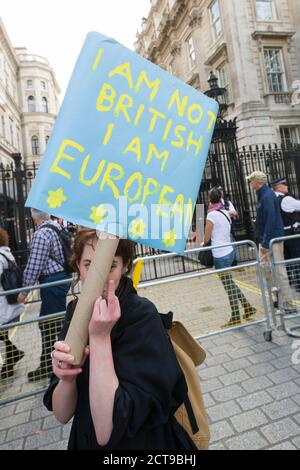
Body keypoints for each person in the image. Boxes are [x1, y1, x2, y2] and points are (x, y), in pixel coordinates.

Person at [43, 229, 197, 450]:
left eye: (110, 265)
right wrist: (66, 379)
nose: (100, 278)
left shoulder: (143, 316)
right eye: (89, 265)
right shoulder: (75, 312)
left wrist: (99, 337)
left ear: (126, 266)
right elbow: (62, 413)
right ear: (77, 266)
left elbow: (109, 430)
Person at [17, 209, 71, 382]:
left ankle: (54, 364)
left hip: (52, 283)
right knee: (53, 322)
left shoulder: (42, 235)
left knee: (50, 324)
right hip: (61, 278)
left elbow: (34, 266)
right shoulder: (57, 228)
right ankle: (53, 362)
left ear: (33, 217)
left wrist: (24, 291)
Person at [203, 188, 256, 328]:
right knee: (230, 283)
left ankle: (236, 317)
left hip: (220, 254)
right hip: (229, 251)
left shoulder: (211, 215)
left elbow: (206, 238)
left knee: (229, 286)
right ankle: (247, 307)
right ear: (220, 198)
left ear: (209, 199)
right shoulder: (226, 212)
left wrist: (202, 241)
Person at [246, 171, 296, 312]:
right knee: (266, 269)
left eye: (251, 181)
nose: (250, 183)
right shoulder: (263, 194)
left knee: (279, 271)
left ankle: (288, 304)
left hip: (271, 240)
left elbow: (271, 219)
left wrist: (266, 243)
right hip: (266, 239)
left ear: (258, 182)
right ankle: (279, 298)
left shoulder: (267, 196)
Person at [0, 228, 24, 380]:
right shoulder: (6, 254)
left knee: (2, 333)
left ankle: (13, 356)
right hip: (10, 303)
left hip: (3, 305)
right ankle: (13, 355)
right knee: (3, 334)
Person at [271, 177, 300, 292]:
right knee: (297, 258)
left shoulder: (273, 199)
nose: (287, 186)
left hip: (280, 233)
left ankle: (288, 282)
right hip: (291, 233)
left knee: (286, 259)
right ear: (279, 187)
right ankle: (299, 283)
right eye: (285, 184)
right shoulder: (286, 199)